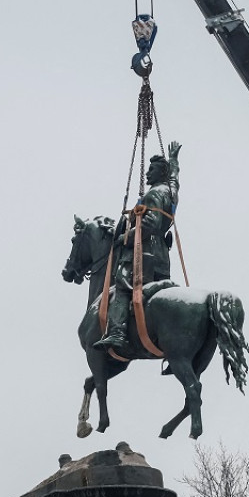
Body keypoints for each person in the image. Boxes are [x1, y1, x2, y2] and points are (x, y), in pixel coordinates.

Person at [94, 140, 181, 352]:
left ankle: (117, 332)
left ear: (160, 174)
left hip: (145, 254)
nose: (147, 173)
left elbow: (149, 227)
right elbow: (175, 179)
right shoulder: (170, 192)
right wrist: (174, 161)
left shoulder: (153, 195)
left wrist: (122, 238)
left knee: (123, 288)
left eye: (151, 169)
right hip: (162, 256)